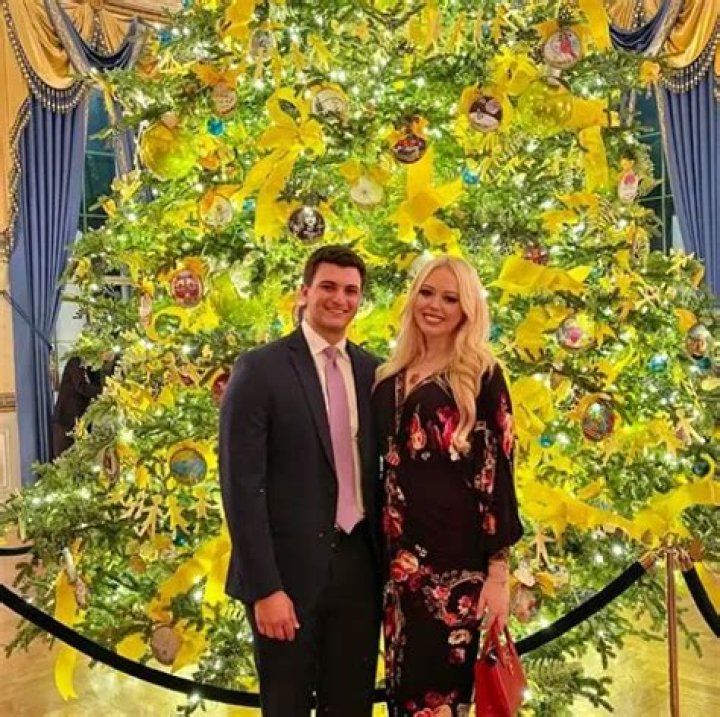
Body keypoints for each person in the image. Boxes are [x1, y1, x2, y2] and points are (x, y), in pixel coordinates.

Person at [219, 245, 382, 717]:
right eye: (328, 286)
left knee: (351, 704)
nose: (340, 299)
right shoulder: (260, 369)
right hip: (285, 575)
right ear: (304, 292)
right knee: (286, 705)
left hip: (359, 567)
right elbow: (240, 486)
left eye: (351, 290)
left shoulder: (373, 372)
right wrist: (264, 588)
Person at [372, 256, 523, 717]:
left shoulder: (481, 373)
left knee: (441, 701)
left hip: (455, 571)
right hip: (397, 568)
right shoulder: (391, 373)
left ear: (467, 309)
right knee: (403, 692)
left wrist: (498, 573)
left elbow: (498, 474)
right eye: (427, 292)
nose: (434, 305)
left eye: (450, 298)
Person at [51, 352, 114, 458]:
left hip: (83, 420)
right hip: (66, 420)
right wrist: (106, 391)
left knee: (83, 456)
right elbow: (82, 387)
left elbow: (97, 386)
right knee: (64, 457)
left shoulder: (94, 368)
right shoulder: (77, 361)